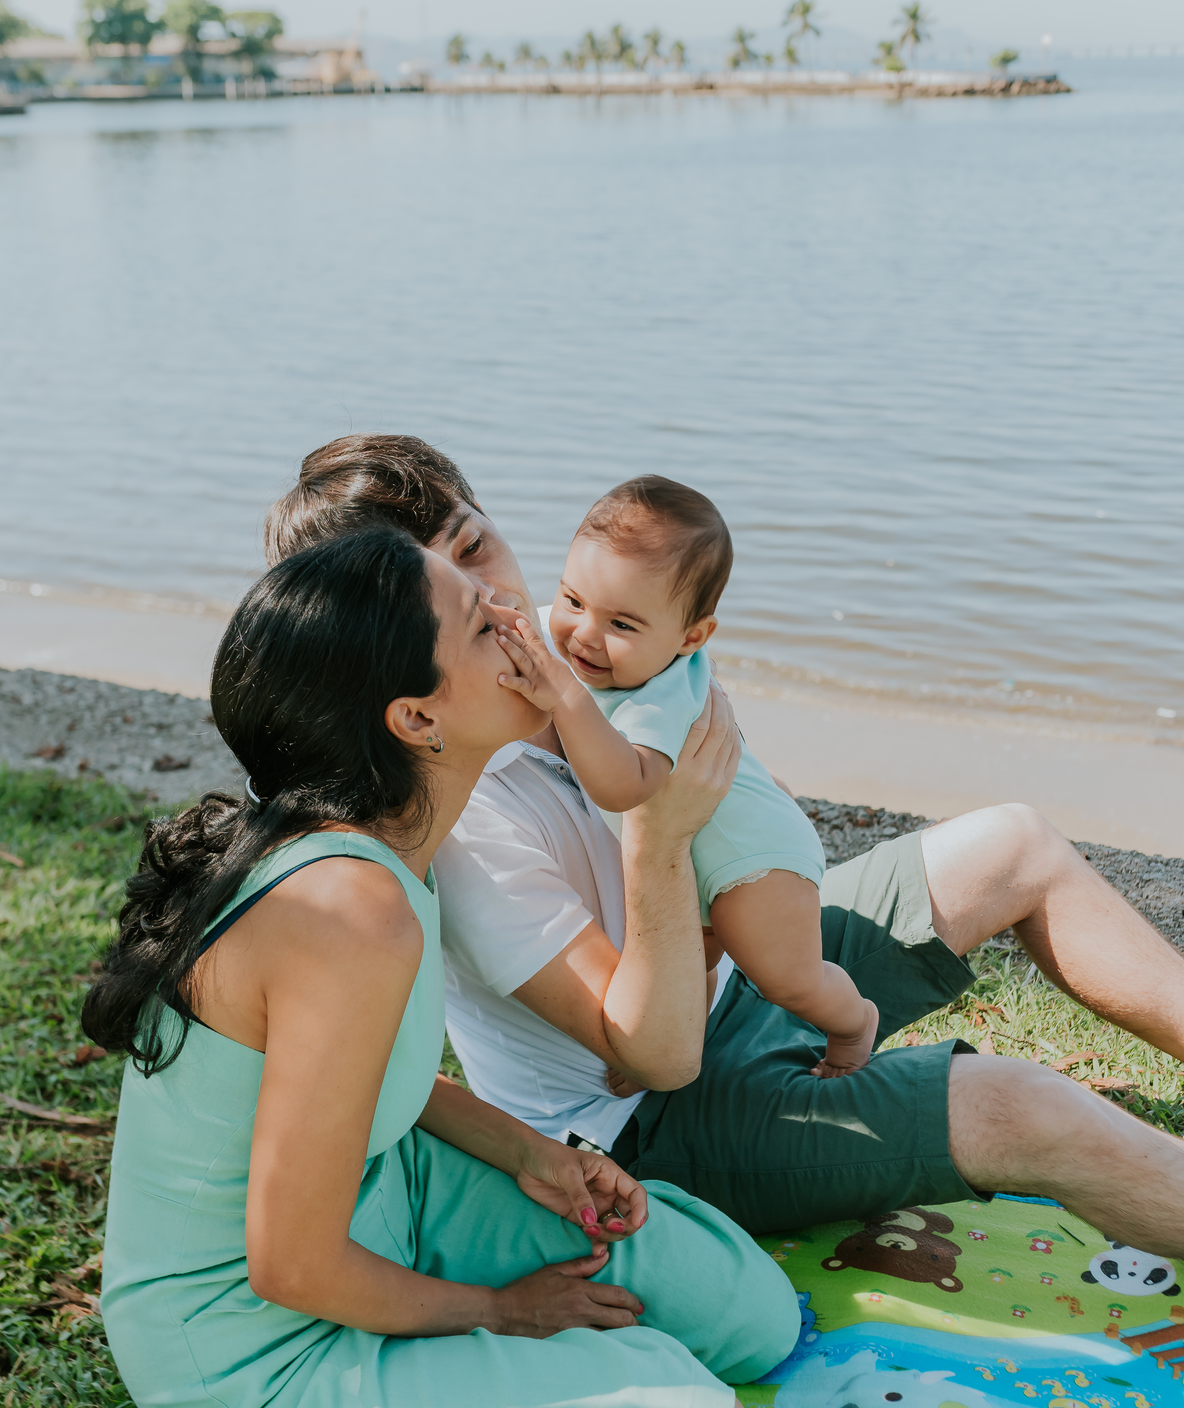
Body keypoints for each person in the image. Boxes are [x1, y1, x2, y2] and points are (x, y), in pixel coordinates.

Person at [264, 435, 1184, 1251]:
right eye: (439, 595)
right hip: (643, 1121)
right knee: (1020, 1106)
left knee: (1015, 844)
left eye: (475, 547)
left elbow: (733, 794)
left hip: (745, 979)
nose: (490, 599)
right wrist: (660, 839)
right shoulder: (454, 815)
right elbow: (651, 1054)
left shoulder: (590, 637)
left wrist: (727, 901)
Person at [91, 525, 800, 1408]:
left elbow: (368, 1078)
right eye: (479, 622)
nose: (519, 620)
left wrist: (530, 1153)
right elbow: (288, 1264)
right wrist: (499, 1314)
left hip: (391, 1193)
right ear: (416, 718)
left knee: (749, 1313)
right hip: (263, 1358)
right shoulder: (346, 906)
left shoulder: (386, 840)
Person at [491, 473, 878, 1079]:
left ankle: (854, 1026)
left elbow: (626, 787)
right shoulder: (633, 665)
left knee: (786, 978)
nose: (584, 635)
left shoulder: (660, 697)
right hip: (702, 854)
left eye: (622, 625)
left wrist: (562, 695)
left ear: (691, 637)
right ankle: (669, 1040)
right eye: (573, 601)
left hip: (756, 861)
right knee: (687, 960)